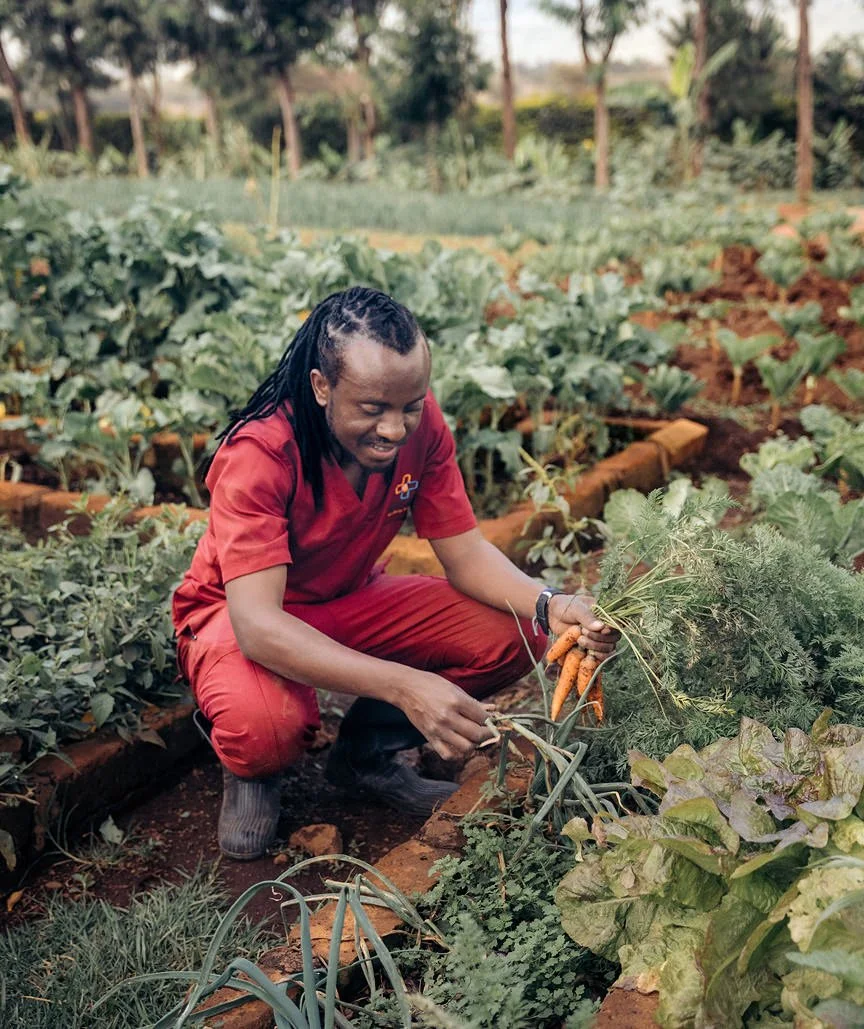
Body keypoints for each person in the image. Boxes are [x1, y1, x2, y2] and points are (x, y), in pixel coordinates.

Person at [171, 286, 618, 860]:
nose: (395, 428)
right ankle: (252, 770)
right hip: (241, 616)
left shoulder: (421, 426)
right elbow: (258, 625)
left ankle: (365, 754)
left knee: (519, 632)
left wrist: (547, 603)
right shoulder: (262, 452)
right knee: (268, 727)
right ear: (321, 386)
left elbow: (465, 553)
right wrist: (405, 685)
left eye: (410, 405)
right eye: (373, 408)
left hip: (348, 598)